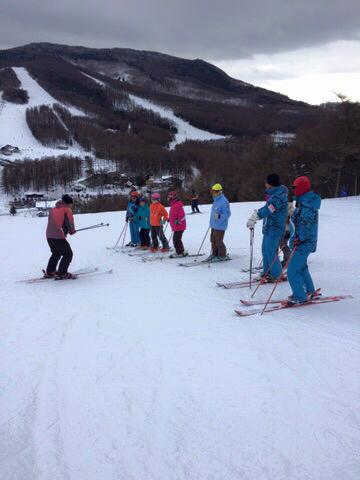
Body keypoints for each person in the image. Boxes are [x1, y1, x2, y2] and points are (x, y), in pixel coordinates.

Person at [286, 176, 321, 305]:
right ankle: (309, 290)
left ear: (301, 188)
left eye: (295, 187)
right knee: (301, 267)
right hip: (302, 242)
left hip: (303, 243)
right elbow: (296, 221)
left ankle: (300, 296)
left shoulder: (306, 206)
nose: (293, 190)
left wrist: (298, 239)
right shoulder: (303, 202)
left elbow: (306, 227)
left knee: (292, 270)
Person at [246, 174, 288, 281]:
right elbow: (266, 207)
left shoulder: (278, 196)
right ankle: (267, 271)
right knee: (265, 249)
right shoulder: (274, 194)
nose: (265, 184)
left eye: (266, 182)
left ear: (271, 184)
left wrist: (257, 216)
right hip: (269, 227)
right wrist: (257, 214)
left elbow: (269, 209)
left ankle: (276, 274)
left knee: (270, 250)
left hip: (275, 228)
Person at [45, 194, 76, 279]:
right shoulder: (67, 210)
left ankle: (50, 272)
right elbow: (69, 223)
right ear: (68, 203)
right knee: (68, 254)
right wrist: (72, 231)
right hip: (58, 236)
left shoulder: (53, 209)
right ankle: (62, 273)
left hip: (49, 235)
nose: (71, 205)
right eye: (71, 204)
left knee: (56, 253)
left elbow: (56, 223)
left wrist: (65, 231)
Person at [208, 183, 231, 262]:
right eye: (212, 191)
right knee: (212, 240)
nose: (213, 193)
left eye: (214, 191)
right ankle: (215, 254)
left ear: (219, 192)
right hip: (214, 224)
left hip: (220, 225)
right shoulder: (216, 200)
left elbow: (227, 214)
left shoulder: (224, 201)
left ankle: (222, 255)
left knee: (218, 241)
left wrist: (219, 216)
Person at [168, 191, 188, 257]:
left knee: (176, 239)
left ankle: (179, 252)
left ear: (174, 197)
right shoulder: (173, 204)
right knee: (177, 239)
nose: (169, 198)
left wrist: (178, 221)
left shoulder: (177, 204)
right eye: (169, 196)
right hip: (176, 226)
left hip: (179, 225)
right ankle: (181, 251)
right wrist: (169, 219)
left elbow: (182, 215)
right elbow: (173, 215)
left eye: (171, 196)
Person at [279, 202, 295, 267]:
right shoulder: (285, 205)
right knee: (282, 245)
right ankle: (287, 259)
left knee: (283, 245)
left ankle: (288, 260)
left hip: (286, 230)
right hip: (283, 230)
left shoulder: (289, 207)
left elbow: (291, 217)